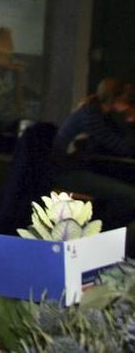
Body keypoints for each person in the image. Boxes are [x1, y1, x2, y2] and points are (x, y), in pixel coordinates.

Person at [52, 77, 135, 254]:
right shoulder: (91, 114)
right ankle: (103, 244)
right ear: (117, 100)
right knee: (130, 197)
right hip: (66, 173)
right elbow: (124, 147)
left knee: (119, 195)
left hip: (75, 169)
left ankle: (103, 241)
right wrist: (127, 119)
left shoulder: (96, 112)